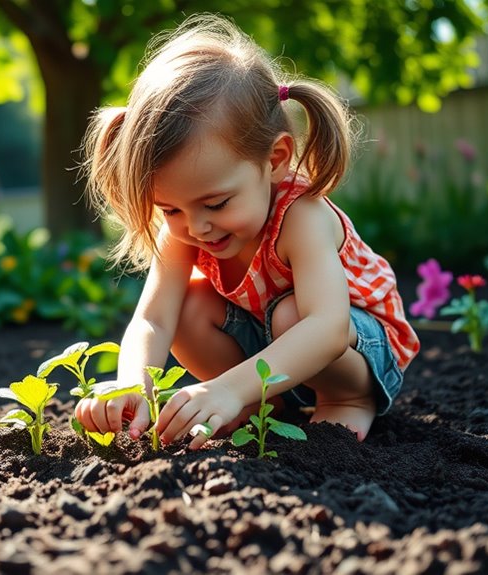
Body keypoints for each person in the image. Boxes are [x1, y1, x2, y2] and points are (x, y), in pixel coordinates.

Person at [75, 14, 419, 449]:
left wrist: (226, 387)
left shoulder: (302, 215)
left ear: (275, 160)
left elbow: (327, 327)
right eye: (170, 209)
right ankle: (263, 405)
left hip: (358, 349)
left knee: (292, 314)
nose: (196, 226)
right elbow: (153, 319)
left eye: (217, 203)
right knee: (187, 306)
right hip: (273, 350)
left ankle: (345, 400)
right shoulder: (186, 228)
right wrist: (131, 385)